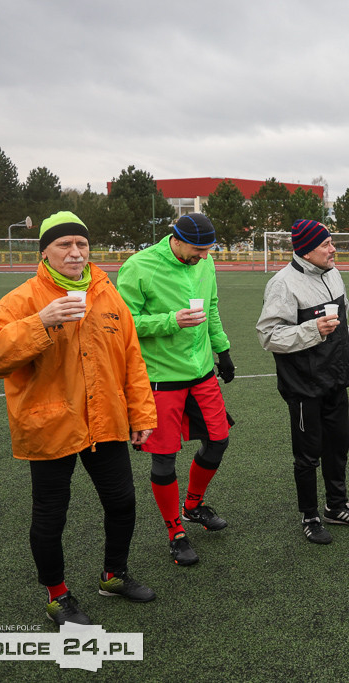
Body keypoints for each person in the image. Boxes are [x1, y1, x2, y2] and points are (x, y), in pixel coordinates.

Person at [0, 211, 157, 626]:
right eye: (64, 245)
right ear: (45, 252)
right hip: (50, 423)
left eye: (81, 244)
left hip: (106, 421)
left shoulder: (108, 293)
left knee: (123, 502)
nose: (75, 252)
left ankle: (113, 575)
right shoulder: (23, 299)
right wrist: (41, 322)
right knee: (51, 514)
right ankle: (57, 595)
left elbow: (132, 359)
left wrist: (142, 413)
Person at [117, 212, 235, 566]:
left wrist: (223, 349)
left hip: (201, 373)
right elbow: (123, 324)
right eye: (198, 249)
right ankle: (175, 533)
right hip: (160, 378)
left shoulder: (205, 262)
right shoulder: (139, 266)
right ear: (176, 239)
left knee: (219, 440)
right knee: (164, 457)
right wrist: (170, 321)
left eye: (208, 250)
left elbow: (211, 308)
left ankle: (193, 506)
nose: (203, 256)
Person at [256, 219, 349, 544]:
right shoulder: (283, 284)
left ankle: (336, 506)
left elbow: (344, 324)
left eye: (331, 242)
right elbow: (268, 336)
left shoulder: (333, 274)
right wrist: (312, 330)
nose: (333, 249)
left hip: (336, 378)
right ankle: (310, 516)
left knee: (338, 446)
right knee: (308, 455)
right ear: (307, 250)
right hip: (304, 386)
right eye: (326, 245)